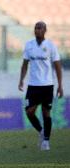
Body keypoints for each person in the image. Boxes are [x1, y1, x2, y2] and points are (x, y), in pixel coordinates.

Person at [18, 21, 63, 151]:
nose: (37, 30)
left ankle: (46, 142)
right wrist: (21, 80)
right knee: (29, 111)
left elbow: (58, 66)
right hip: (33, 85)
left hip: (47, 84)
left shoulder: (51, 46)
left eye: (39, 28)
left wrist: (60, 85)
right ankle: (42, 131)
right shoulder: (29, 45)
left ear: (45, 30)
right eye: (35, 28)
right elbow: (25, 64)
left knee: (46, 113)